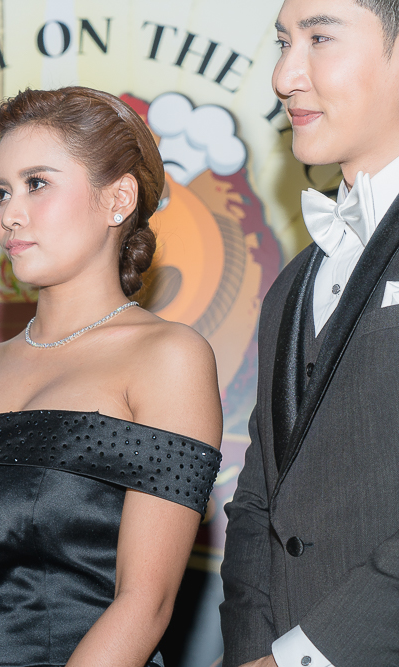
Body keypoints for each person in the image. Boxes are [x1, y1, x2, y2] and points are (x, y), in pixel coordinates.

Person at [0, 87, 224, 667]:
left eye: (37, 184)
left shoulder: (170, 357)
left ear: (118, 199)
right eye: (2, 192)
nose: (9, 214)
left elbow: (145, 601)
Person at [221, 0, 399, 665]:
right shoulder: (294, 282)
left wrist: (300, 658)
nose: (284, 77)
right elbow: (257, 501)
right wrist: (251, 652)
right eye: (282, 43)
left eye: (320, 38)